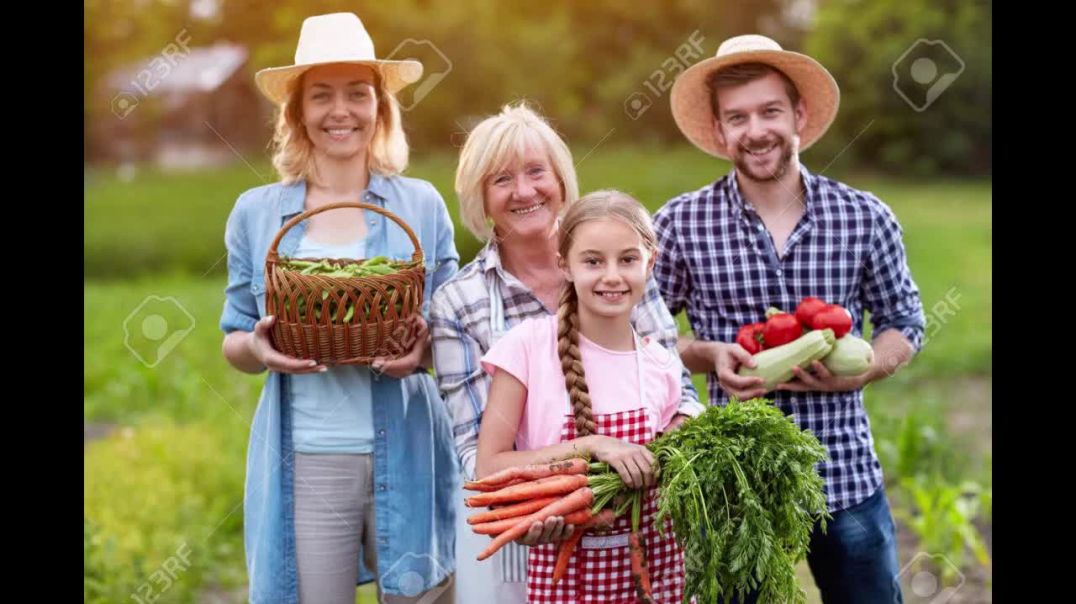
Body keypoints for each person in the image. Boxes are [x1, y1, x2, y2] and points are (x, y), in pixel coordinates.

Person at [654, 34, 927, 602]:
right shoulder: (680, 223)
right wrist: (706, 353)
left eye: (770, 111)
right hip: (736, 479)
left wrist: (870, 367)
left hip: (844, 470)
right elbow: (639, 336)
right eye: (738, 117)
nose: (756, 130)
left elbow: (905, 319)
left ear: (799, 114)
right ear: (720, 128)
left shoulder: (864, 216)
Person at [219, 12, 458, 603]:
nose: (340, 111)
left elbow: (455, 325)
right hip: (310, 455)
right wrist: (261, 349)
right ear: (298, 112)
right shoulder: (257, 213)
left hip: (408, 445)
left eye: (358, 93)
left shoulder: (420, 205)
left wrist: (423, 350)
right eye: (321, 96)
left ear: (381, 107)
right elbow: (234, 339)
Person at [429, 102, 703, 602]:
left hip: (635, 538)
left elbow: (676, 394)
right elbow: (476, 451)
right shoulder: (459, 302)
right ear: (481, 198)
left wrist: (650, 473)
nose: (525, 191)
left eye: (537, 171)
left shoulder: (616, 272)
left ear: (560, 179)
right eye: (501, 179)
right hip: (513, 527)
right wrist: (547, 503)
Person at [476, 190, 688, 603]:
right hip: (565, 577)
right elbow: (489, 468)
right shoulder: (526, 348)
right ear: (565, 266)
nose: (612, 276)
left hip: (657, 577)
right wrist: (592, 445)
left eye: (628, 259)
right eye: (593, 261)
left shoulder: (660, 364)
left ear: (651, 262)